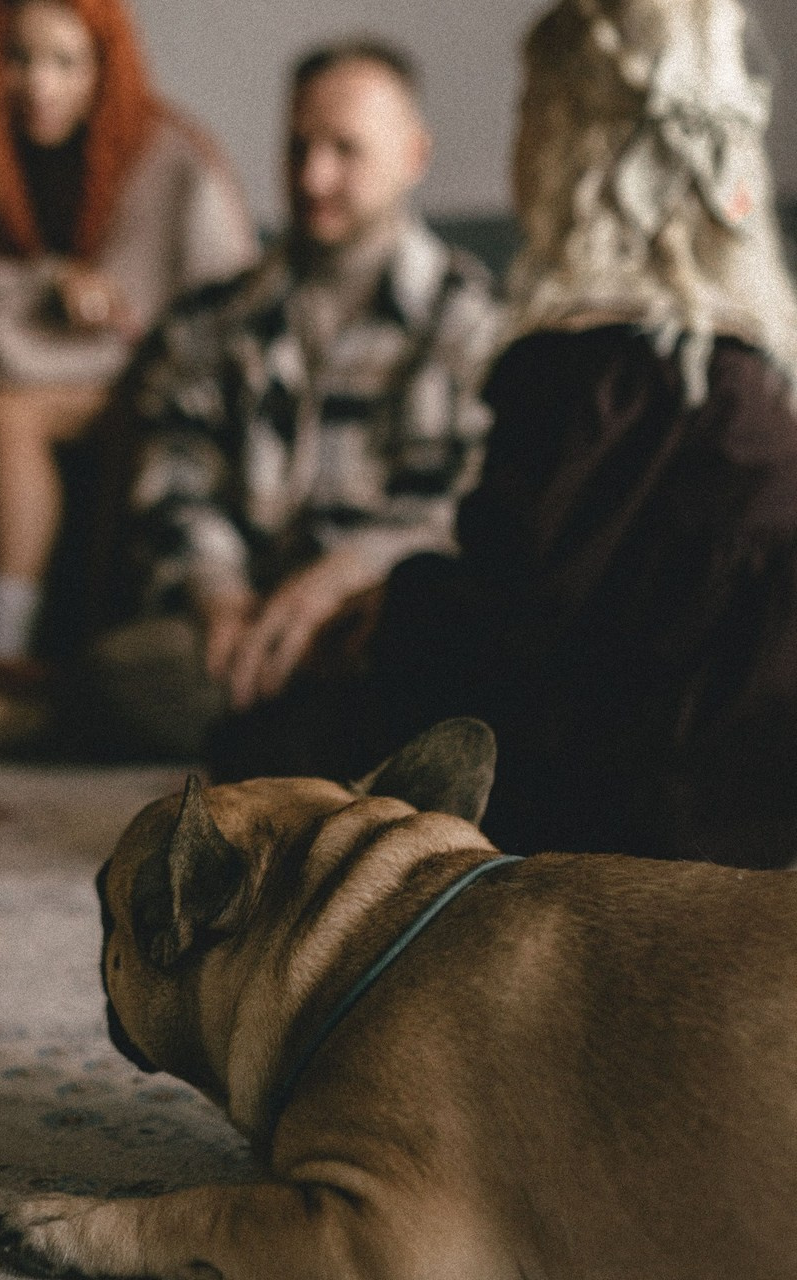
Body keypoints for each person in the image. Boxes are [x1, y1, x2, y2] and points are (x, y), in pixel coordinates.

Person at [215, 0, 797, 870]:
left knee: (320, 710)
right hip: (762, 761)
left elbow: (518, 615)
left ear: (565, 145)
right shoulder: (763, 362)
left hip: (646, 788)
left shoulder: (579, 364)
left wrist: (395, 601)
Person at [85, 37, 500, 758]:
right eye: (298, 147)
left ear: (414, 156)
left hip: (377, 616)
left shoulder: (473, 318)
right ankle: (310, 729)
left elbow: (466, 505)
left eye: (346, 150)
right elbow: (174, 480)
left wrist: (337, 581)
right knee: (117, 674)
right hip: (236, 628)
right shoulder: (213, 316)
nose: (314, 177)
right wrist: (217, 591)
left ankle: (293, 730)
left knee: (462, 665)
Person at [0, 0, 258, 661]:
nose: (39, 85)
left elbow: (176, 321)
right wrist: (50, 283)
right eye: (19, 59)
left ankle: (6, 643)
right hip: (47, 367)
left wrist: (36, 301)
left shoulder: (173, 163)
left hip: (153, 377)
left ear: (106, 67)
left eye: (66, 62)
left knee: (8, 407)